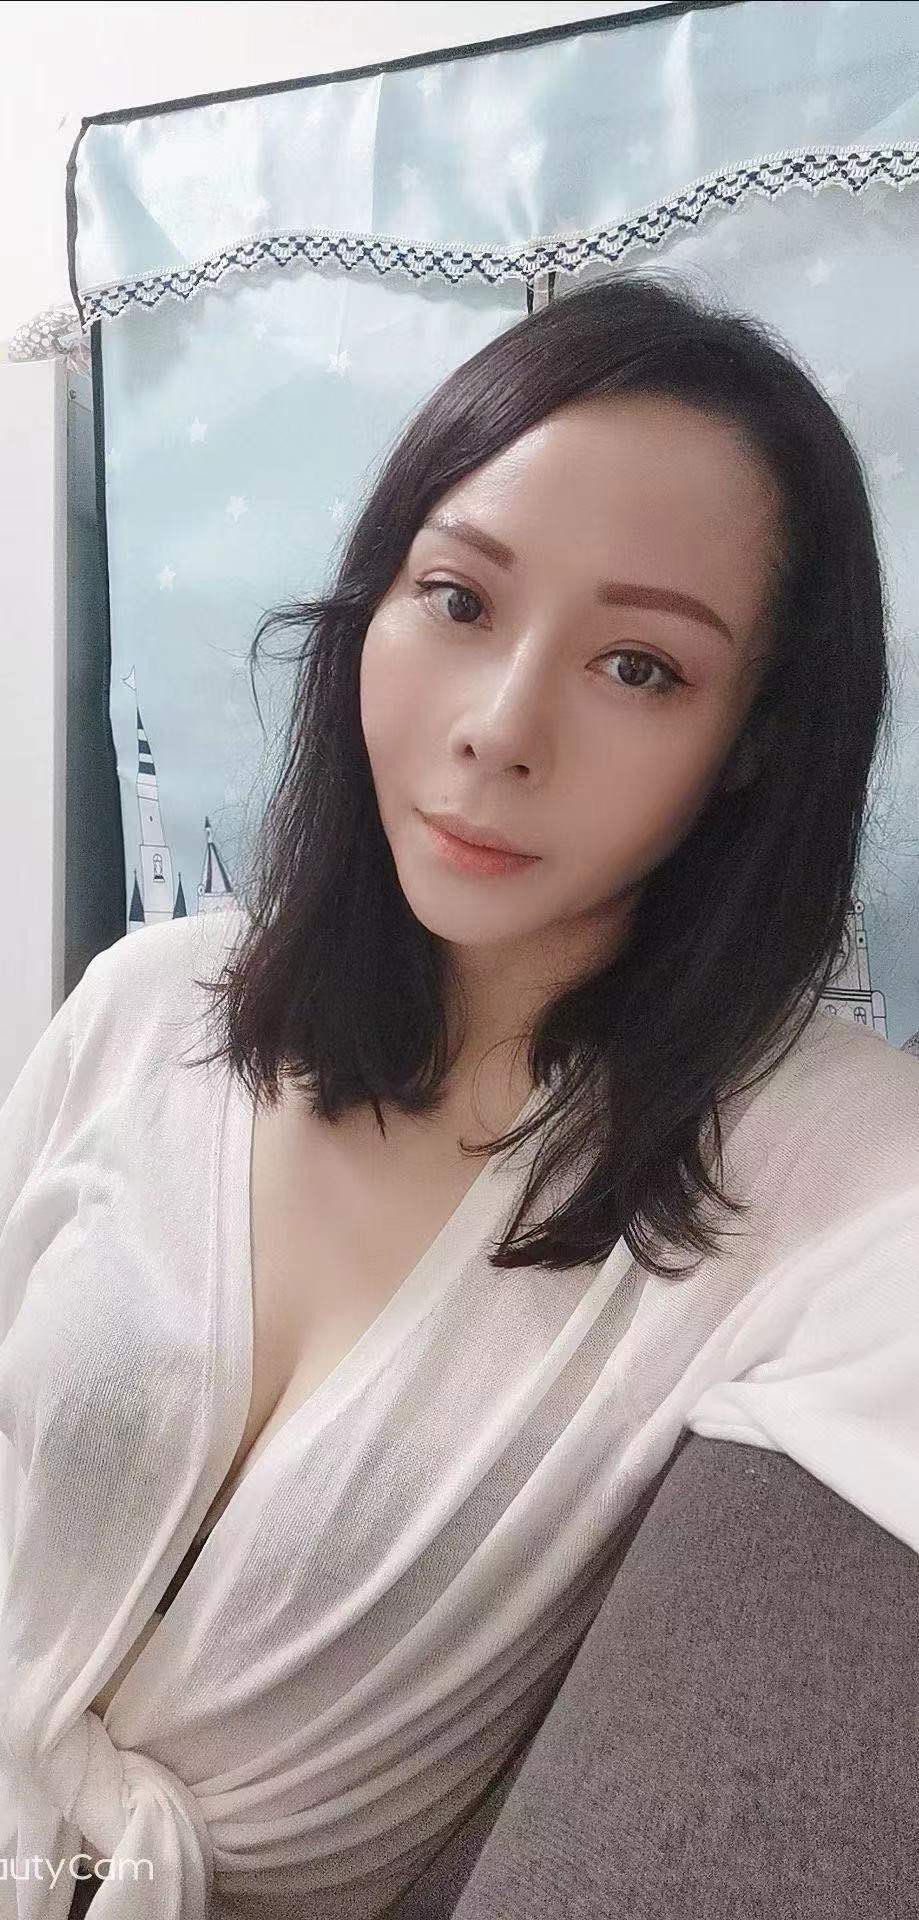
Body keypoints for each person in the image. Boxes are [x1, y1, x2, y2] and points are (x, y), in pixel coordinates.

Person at [0, 268, 916, 1919]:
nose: (499, 730)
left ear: (757, 741)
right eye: (459, 599)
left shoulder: (832, 1169)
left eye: (638, 666)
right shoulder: (154, 1003)